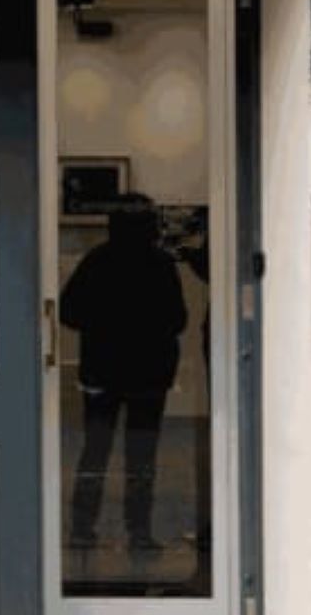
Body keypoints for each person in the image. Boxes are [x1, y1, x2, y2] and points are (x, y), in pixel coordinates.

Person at [60, 195, 188, 555]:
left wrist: (104, 324)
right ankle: (139, 533)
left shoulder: (97, 261)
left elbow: (68, 312)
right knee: (141, 459)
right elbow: (178, 320)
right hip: (149, 374)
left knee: (94, 454)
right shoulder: (160, 264)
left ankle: (83, 531)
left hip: (102, 369)